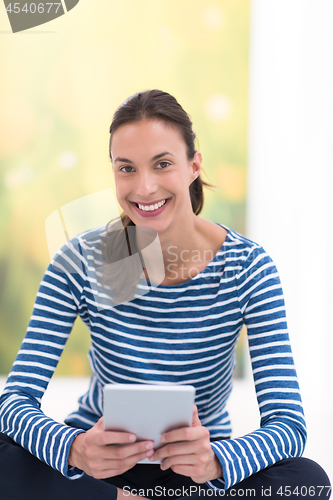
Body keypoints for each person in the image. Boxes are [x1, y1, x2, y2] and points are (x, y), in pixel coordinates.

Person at [0, 90, 330, 500]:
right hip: (99, 471)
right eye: (126, 168)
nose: (144, 186)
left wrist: (215, 461)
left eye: (162, 164)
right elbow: (14, 402)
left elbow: (288, 425)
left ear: (194, 165)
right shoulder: (81, 261)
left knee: (307, 480)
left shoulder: (248, 267)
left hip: (197, 472)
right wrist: (75, 449)